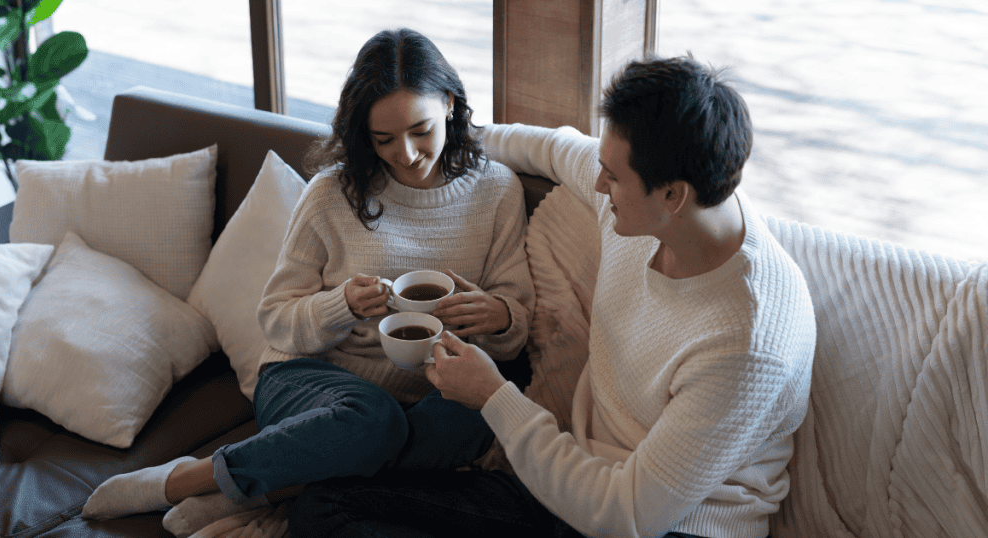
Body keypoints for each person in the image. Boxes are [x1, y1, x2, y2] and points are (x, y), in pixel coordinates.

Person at [287, 55, 817, 538]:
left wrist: (494, 397)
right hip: (571, 479)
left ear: (673, 196)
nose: (598, 185)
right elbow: (553, 146)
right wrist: (432, 138)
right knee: (322, 509)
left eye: (611, 176)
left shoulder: (748, 338)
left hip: (664, 525)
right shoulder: (658, 200)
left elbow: (625, 515)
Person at [80, 28, 534, 534]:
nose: (405, 153)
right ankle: (186, 479)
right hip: (310, 383)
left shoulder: (497, 191)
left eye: (420, 130)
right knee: (372, 419)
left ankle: (274, 484)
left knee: (482, 412)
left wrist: (500, 315)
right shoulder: (331, 194)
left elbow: (516, 319)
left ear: (449, 103)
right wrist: (340, 305)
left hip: (430, 394)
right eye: (383, 139)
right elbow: (276, 321)